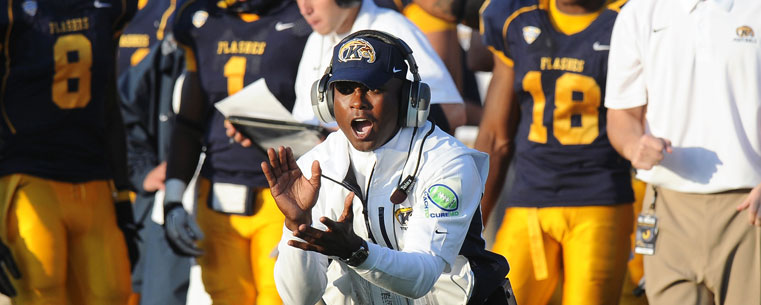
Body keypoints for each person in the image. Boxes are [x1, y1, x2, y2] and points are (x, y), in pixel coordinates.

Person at [267, 30, 510, 305]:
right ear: (326, 99)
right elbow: (301, 298)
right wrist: (297, 225)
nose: (357, 101)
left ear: (408, 98)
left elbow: (422, 277)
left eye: (373, 87)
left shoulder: (447, 161)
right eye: (345, 89)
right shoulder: (316, 166)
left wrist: (356, 252)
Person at [476, 0, 634, 304]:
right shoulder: (516, 17)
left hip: (600, 201)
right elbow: (496, 135)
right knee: (495, 299)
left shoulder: (628, 18)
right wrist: (467, 223)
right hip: (529, 200)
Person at [605, 0, 761, 304]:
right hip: (666, 209)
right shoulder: (637, 13)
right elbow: (622, 115)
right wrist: (633, 145)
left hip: (751, 210)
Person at [162, 0, 311, 303]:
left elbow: (326, 122)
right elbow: (189, 120)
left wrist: (267, 129)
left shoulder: (305, 17)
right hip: (216, 190)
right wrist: (173, 198)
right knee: (226, 296)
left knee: (280, 296)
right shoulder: (200, 18)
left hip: (283, 193)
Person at [0, 0, 137, 304]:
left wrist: (123, 195)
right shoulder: (11, 10)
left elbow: (108, 99)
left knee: (114, 293)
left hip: (95, 179)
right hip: (28, 177)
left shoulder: (109, 7)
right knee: (41, 292)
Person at [290, 0, 466, 134]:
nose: (305, 9)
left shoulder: (392, 27)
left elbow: (453, 112)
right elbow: (304, 118)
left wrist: (359, 133)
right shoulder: (316, 40)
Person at [117, 0, 193, 303]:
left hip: (228, 188)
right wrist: (140, 168)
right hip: (152, 195)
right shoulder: (114, 11)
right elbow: (122, 103)